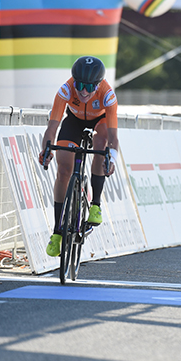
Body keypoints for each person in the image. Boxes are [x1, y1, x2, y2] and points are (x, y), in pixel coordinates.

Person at [39, 56, 119, 257]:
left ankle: (96, 206)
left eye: (89, 87)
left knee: (101, 144)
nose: (83, 91)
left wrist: (112, 158)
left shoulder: (108, 95)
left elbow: (113, 137)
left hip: (99, 122)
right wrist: (46, 151)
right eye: (80, 85)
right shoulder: (66, 89)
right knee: (63, 170)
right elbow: (51, 129)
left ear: (98, 85)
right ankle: (57, 232)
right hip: (73, 121)